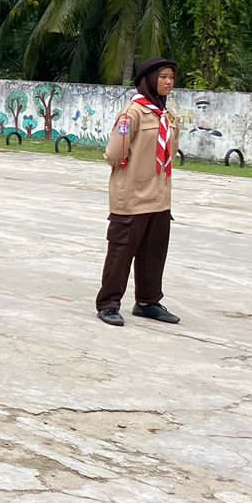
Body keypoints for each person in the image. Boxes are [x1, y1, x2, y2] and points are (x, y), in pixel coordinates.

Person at [96, 57, 181, 327]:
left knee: (154, 253)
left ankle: (148, 301)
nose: (169, 82)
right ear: (149, 79)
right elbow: (114, 153)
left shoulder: (166, 114)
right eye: (163, 76)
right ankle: (108, 303)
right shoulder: (132, 113)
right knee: (121, 252)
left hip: (159, 197)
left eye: (171, 77)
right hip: (131, 196)